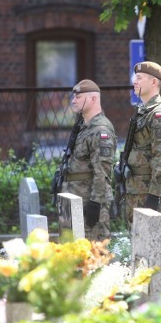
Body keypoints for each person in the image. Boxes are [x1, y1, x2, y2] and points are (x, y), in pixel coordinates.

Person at [124, 61, 161, 227]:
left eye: (139, 78)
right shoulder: (143, 112)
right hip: (137, 190)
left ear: (153, 82)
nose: (135, 81)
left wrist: (154, 196)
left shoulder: (159, 115)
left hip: (151, 193)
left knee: (157, 247)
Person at [61, 80, 117, 240]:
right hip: (75, 199)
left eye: (78, 97)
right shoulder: (83, 127)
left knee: (94, 252)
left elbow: (103, 172)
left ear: (93, 99)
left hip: (89, 203)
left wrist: (95, 203)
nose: (73, 101)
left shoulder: (100, 130)